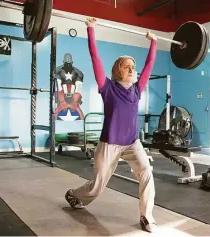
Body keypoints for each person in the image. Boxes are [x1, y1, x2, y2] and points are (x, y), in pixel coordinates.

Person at [65, 17, 158, 233]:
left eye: (133, 67)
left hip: (132, 142)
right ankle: (74, 194)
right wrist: (90, 29)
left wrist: (153, 42)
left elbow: (149, 66)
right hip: (109, 144)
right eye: (127, 67)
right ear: (117, 70)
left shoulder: (137, 89)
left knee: (146, 171)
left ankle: (146, 216)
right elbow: (94, 57)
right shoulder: (107, 87)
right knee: (97, 186)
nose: (132, 70)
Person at [55, 53, 85, 120]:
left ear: (72, 62)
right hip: (62, 93)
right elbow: (58, 86)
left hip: (73, 93)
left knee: (77, 108)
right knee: (57, 110)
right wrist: (62, 101)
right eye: (66, 63)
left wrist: (74, 102)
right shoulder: (57, 71)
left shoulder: (78, 73)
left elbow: (78, 89)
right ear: (63, 62)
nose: (68, 66)